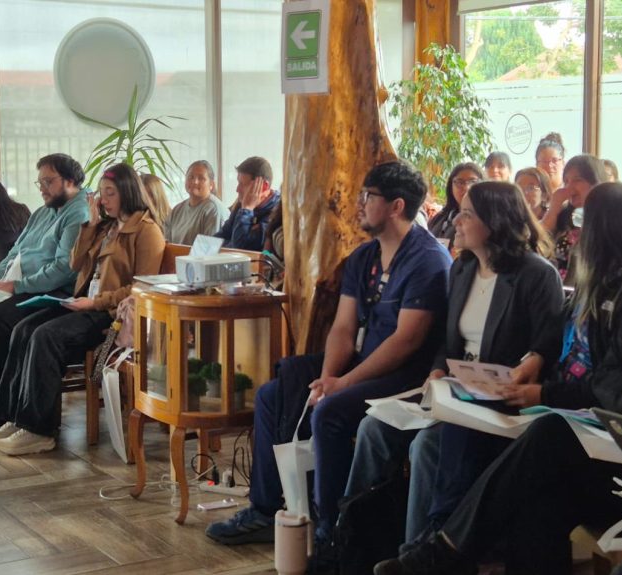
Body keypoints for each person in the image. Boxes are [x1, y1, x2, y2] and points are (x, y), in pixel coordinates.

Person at [376, 183, 622, 575]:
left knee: (543, 437)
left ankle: (444, 549)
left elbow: (596, 379)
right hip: (604, 436)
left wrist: (548, 392)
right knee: (535, 499)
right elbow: (608, 372)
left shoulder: (615, 290)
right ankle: (437, 549)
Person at [205, 160, 451, 548]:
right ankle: (266, 509)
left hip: (407, 375)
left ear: (397, 206)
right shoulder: (365, 257)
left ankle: (332, 531)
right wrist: (328, 377)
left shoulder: (428, 260)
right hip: (361, 362)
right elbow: (343, 328)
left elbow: (405, 342)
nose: (359, 203)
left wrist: (342, 384)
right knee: (272, 395)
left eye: (368, 196)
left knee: (330, 412)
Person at [347, 181, 563, 545]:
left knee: (426, 447)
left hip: (502, 396)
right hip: (456, 389)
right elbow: (449, 341)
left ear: (494, 222)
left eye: (466, 214)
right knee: (373, 427)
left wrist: (531, 362)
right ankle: (351, 540)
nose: (455, 222)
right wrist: (438, 369)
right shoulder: (462, 269)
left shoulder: (535, 274)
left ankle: (420, 552)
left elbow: (547, 344)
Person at [0, 163, 164, 455]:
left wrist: (96, 302)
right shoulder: (106, 227)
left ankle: (40, 430)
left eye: (110, 193)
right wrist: (90, 227)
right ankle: (16, 415)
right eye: (102, 193)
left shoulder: (146, 231)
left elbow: (140, 288)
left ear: (128, 193)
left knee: (46, 337)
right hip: (84, 303)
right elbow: (75, 263)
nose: (103, 200)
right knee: (23, 329)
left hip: (109, 315)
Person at [0, 154, 90, 438]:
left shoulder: (78, 213)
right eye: (39, 182)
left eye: (48, 181)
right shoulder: (44, 211)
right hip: (21, 284)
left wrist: (16, 287)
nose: (42, 188)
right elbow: (15, 253)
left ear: (70, 180)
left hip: (52, 292)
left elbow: (64, 270)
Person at [542, 154, 607, 283]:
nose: (569, 187)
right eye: (566, 181)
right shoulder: (562, 215)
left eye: (577, 180)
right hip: (557, 288)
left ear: (596, 182)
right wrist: (554, 209)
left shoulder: (607, 218)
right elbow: (537, 242)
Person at [214, 156, 281, 251]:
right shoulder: (240, 204)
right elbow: (218, 239)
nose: (237, 189)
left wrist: (247, 209)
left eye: (242, 184)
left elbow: (241, 248)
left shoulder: (277, 212)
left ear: (264, 186)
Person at [164, 160, 230, 245]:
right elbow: (167, 243)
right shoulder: (177, 210)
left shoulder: (213, 210)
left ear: (211, 184)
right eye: (191, 177)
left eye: (201, 178)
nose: (195, 182)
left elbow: (209, 249)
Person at [427, 163, 482, 249]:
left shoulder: (484, 221)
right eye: (460, 182)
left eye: (473, 182)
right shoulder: (441, 217)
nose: (466, 187)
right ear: (451, 186)